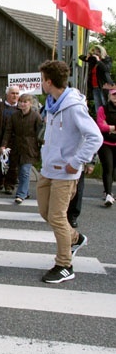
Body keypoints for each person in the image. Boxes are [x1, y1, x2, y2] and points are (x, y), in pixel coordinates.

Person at [37, 60, 102, 283]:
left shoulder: (73, 106)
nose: (41, 82)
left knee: (57, 216)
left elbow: (95, 136)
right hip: (48, 168)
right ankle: (74, 238)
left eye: (42, 78)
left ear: (48, 81)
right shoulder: (52, 103)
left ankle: (64, 265)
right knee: (46, 213)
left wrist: (77, 161)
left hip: (66, 172)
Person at [1, 93, 42, 204]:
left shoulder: (35, 116)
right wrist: (3, 145)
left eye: (25, 102)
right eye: (21, 102)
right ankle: (26, 191)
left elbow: (40, 133)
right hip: (17, 147)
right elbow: (8, 131)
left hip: (30, 147)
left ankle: (21, 194)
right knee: (19, 170)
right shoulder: (14, 116)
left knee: (25, 171)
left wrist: (42, 144)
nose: (22, 104)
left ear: (30, 103)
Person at [0, 85, 20, 195]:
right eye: (12, 93)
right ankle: (0, 180)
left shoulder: (21, 109)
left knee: (13, 165)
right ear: (7, 94)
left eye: (17, 93)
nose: (15, 96)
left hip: (15, 142)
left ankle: (9, 185)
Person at [96, 88, 116, 207]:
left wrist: (109, 127)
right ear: (109, 96)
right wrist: (112, 128)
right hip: (106, 143)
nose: (115, 97)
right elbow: (101, 125)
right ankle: (108, 194)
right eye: (113, 95)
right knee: (108, 167)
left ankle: (109, 191)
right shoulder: (103, 109)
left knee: (114, 169)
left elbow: (105, 125)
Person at [79, 44, 113, 115]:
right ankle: (100, 123)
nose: (96, 53)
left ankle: (107, 123)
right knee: (98, 107)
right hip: (95, 87)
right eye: (95, 52)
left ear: (101, 52)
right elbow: (81, 57)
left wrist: (98, 60)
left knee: (105, 104)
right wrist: (88, 55)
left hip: (104, 86)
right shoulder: (93, 60)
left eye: (97, 52)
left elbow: (106, 69)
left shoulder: (107, 59)